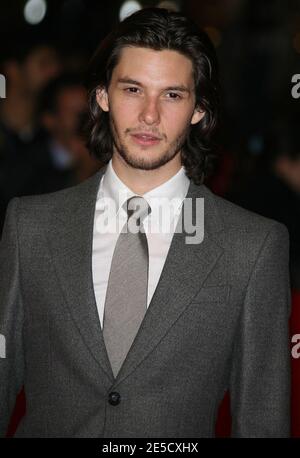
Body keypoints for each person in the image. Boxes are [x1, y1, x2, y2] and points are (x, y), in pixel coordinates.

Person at [0, 8, 291, 438]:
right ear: (102, 96)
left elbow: (262, 420)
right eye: (133, 89)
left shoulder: (254, 246)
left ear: (199, 109)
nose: (150, 116)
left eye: (172, 95)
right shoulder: (30, 225)